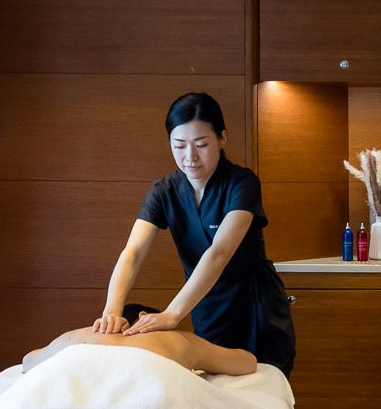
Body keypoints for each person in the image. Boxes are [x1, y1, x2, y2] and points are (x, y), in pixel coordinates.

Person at [92, 92, 296, 374]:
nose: (190, 157)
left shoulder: (241, 183)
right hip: (206, 303)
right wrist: (112, 311)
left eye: (201, 144)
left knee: (262, 382)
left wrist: (172, 314)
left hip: (254, 306)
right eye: (179, 145)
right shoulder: (164, 192)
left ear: (222, 138)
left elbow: (219, 252)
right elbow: (133, 252)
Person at [22, 326, 257, 376]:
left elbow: (28, 362)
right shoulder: (176, 338)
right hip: (148, 376)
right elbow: (247, 362)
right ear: (144, 317)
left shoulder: (77, 336)